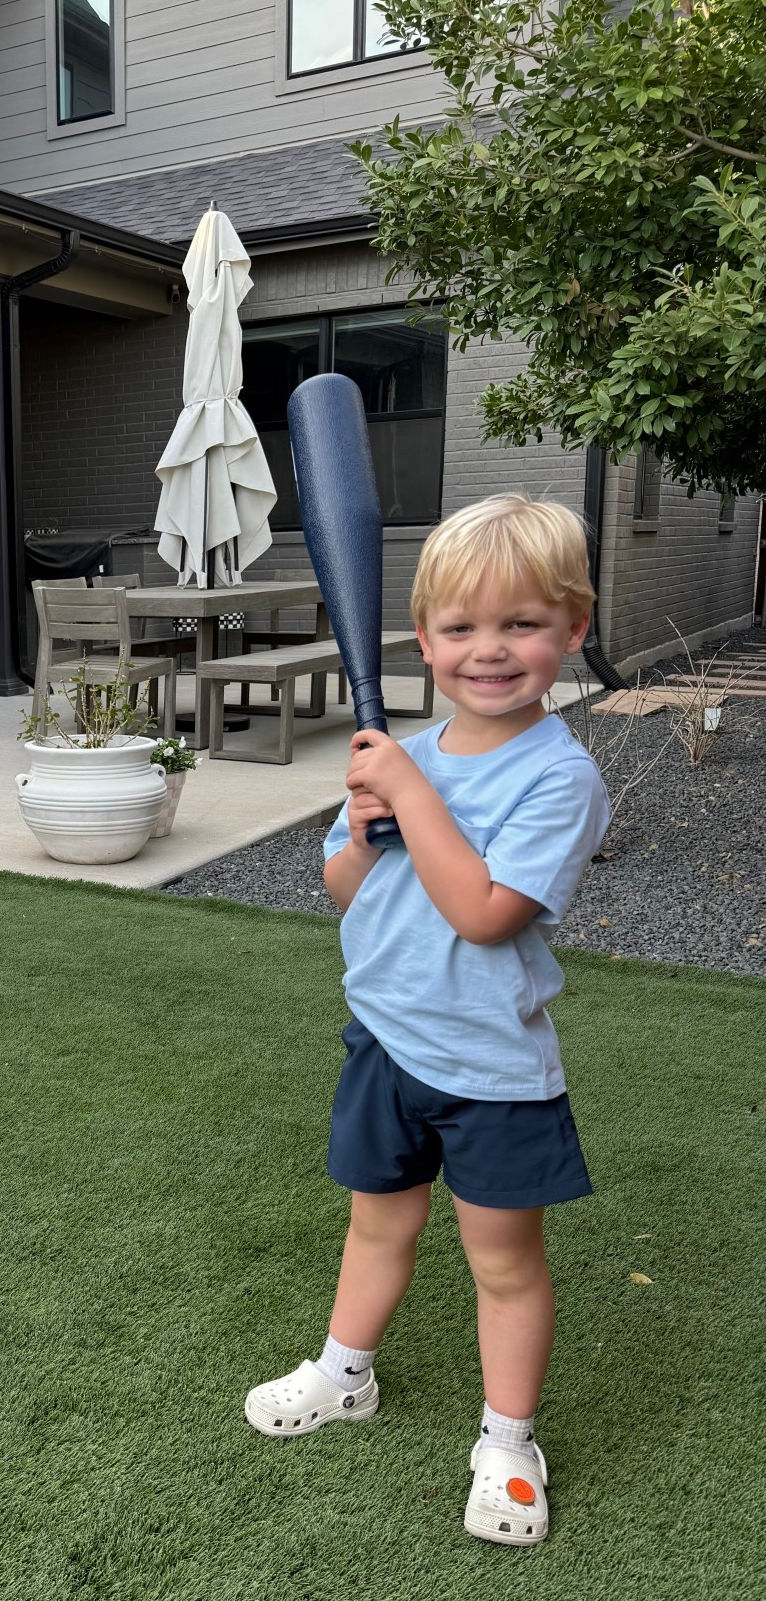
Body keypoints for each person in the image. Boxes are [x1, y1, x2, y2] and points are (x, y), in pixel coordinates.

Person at [244, 494, 610, 1545]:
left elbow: (487, 914)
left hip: (491, 1065)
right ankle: (344, 1370)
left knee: (503, 1262)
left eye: (523, 624)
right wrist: (364, 833)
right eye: (462, 628)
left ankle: (508, 1438)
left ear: (572, 631)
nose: (490, 650)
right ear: (424, 640)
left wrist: (410, 793)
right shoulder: (397, 751)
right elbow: (351, 890)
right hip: (386, 1041)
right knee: (378, 1222)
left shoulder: (559, 774)